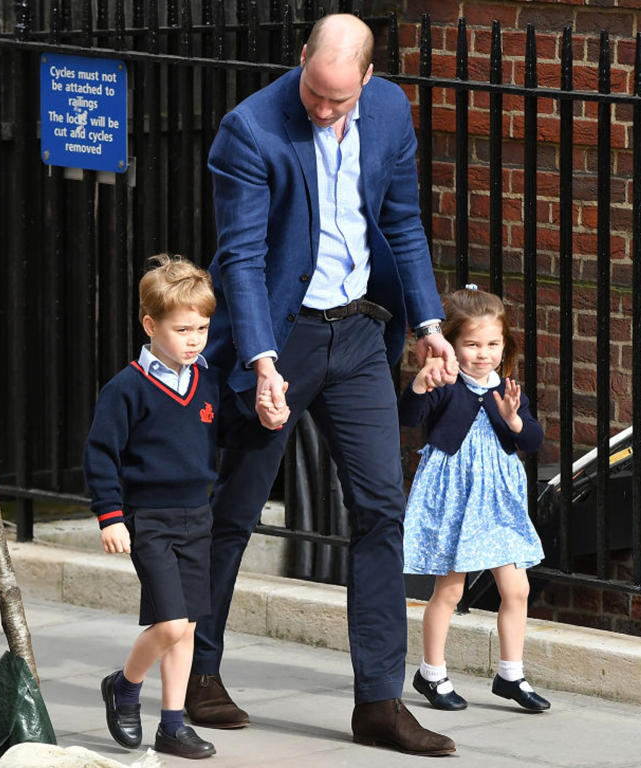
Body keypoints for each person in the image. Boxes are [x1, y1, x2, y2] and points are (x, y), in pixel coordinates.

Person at [191, 12, 457, 757]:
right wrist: (261, 360)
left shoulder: (391, 109)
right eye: (314, 92)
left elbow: (402, 222)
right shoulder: (250, 131)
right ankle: (196, 673)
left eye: (339, 100)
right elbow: (240, 259)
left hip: (362, 336)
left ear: (366, 79)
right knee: (236, 512)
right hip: (286, 338)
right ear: (303, 60)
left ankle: (378, 701)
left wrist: (428, 326)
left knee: (382, 510)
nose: (323, 109)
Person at [83, 255, 220, 759]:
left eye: (202, 328)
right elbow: (100, 454)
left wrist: (268, 417)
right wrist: (111, 516)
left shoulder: (207, 381)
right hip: (151, 519)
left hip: (196, 516)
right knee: (167, 624)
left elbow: (224, 435)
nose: (194, 339)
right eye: (182, 328)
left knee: (187, 626)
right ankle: (124, 684)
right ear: (150, 324)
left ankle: (173, 723)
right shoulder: (127, 389)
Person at [399, 286, 551, 714]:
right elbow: (408, 417)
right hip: (455, 497)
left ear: (505, 345)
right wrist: (418, 383)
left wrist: (515, 420)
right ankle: (431, 673)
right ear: (452, 343)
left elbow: (534, 439)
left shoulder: (506, 388)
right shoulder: (446, 383)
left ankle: (511, 674)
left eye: (492, 344)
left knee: (516, 588)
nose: (483, 354)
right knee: (449, 591)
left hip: (498, 501)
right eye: (471, 344)